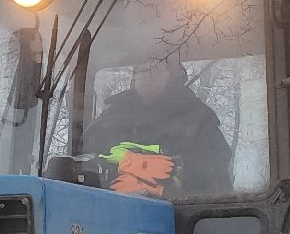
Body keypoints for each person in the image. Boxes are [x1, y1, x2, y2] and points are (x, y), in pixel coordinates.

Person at [85, 57, 234, 198]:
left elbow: (215, 175)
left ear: (172, 76)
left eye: (156, 69)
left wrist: (173, 178)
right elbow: (86, 158)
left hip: (180, 216)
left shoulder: (198, 120)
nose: (147, 76)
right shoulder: (110, 118)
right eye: (141, 70)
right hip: (109, 211)